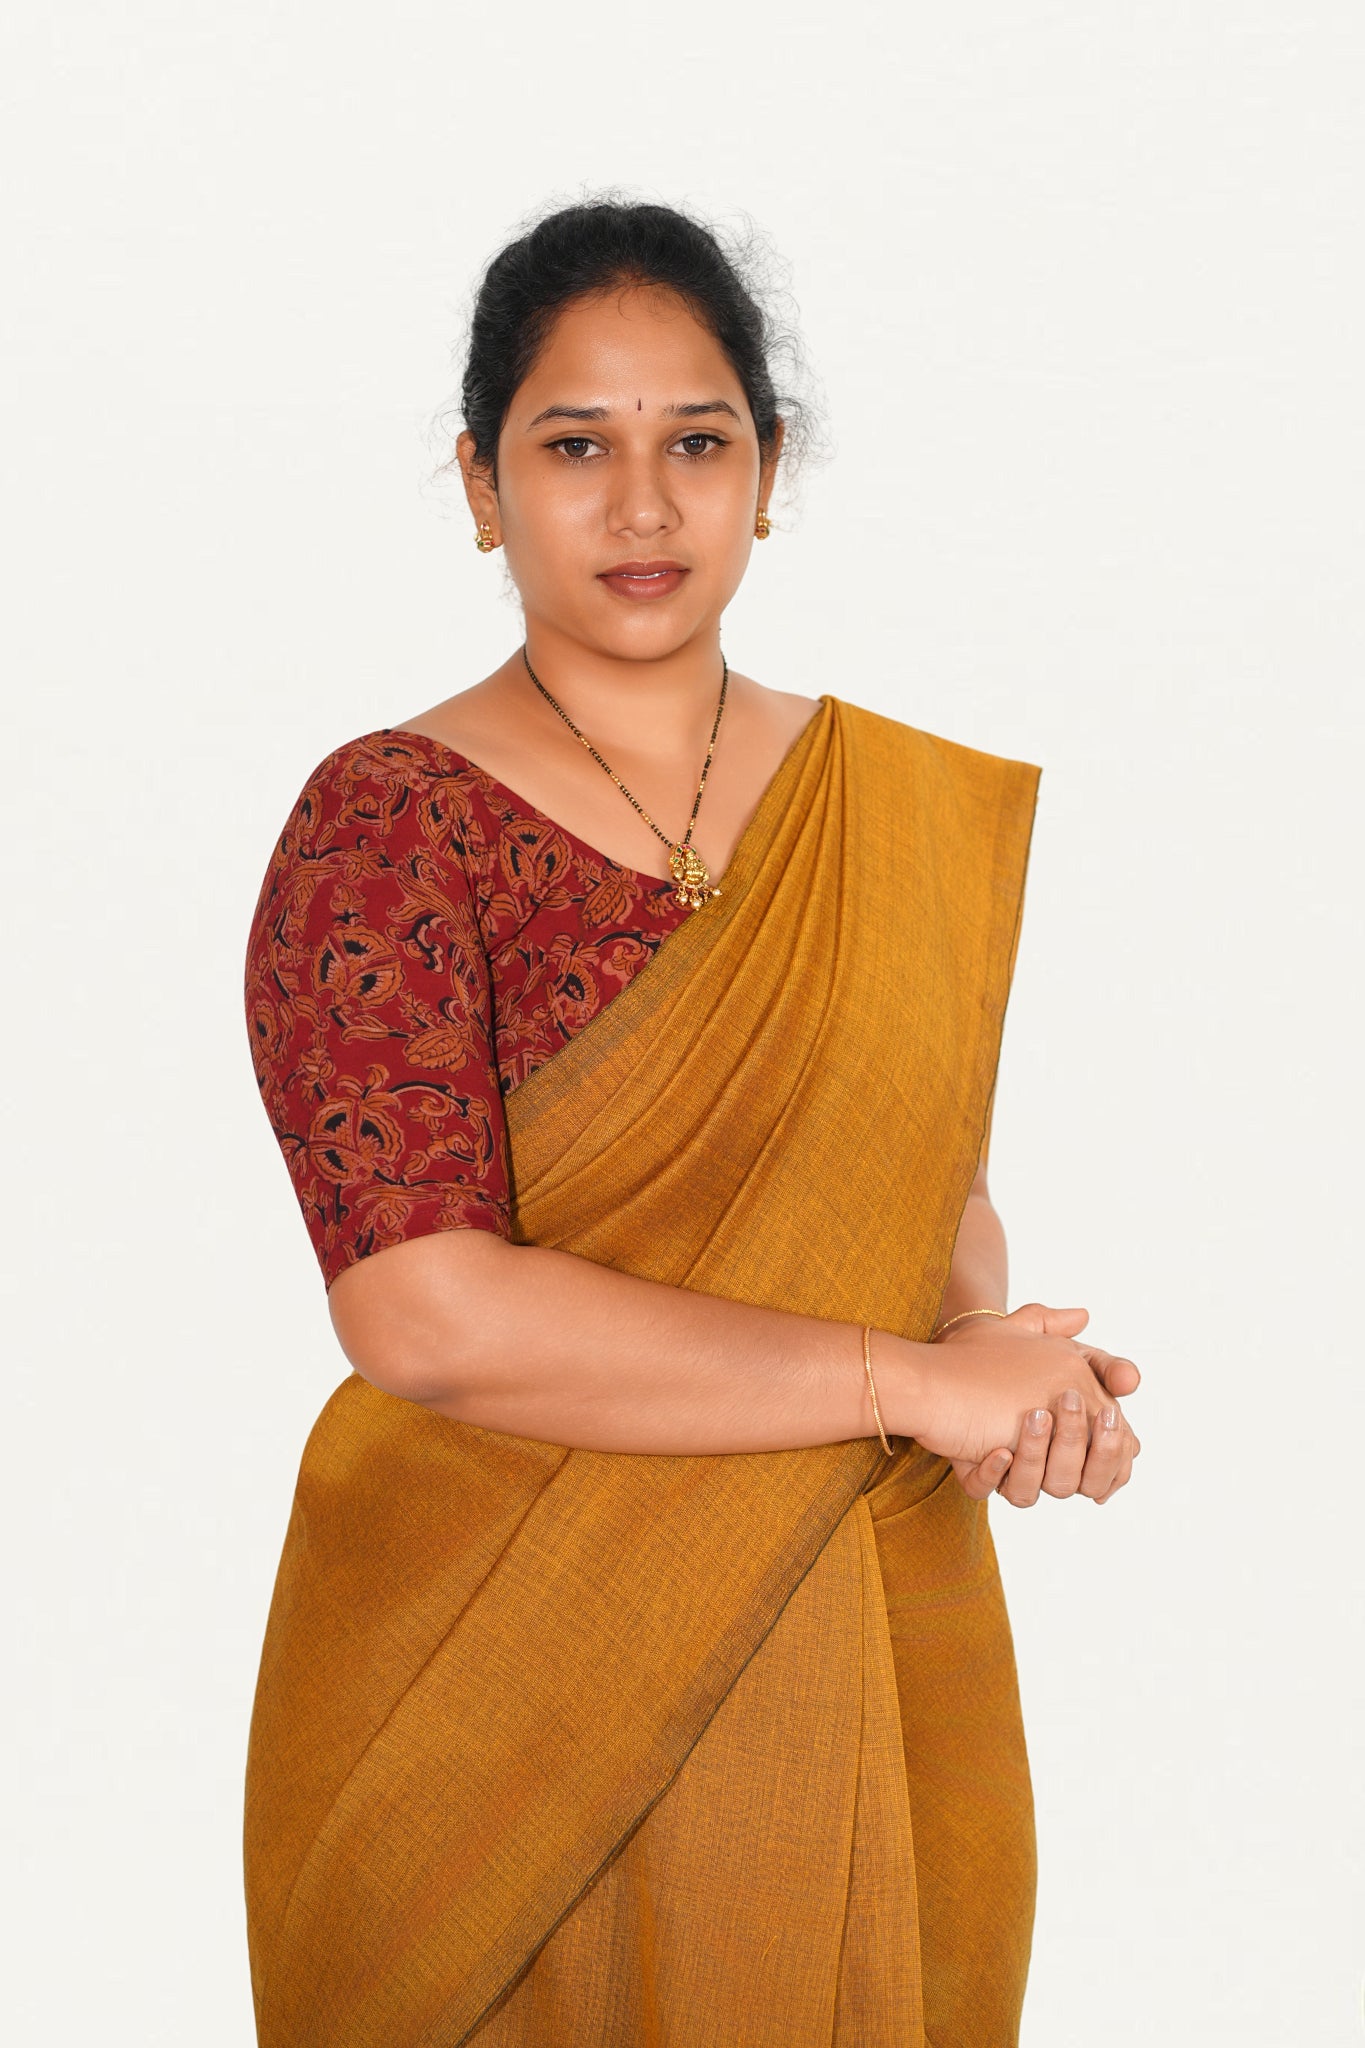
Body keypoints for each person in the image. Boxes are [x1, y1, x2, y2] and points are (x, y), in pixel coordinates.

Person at [241, 198, 1142, 2048]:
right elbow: (422, 1310)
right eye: (575, 447)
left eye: (697, 444)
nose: (643, 507)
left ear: (767, 472)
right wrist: (911, 1379)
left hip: (861, 1622)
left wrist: (993, 1352)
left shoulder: (887, 807)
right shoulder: (387, 821)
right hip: (492, 1686)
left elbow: (925, 1189)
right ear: (482, 485)